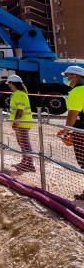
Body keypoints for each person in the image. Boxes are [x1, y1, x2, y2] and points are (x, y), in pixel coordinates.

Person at [60, 66, 84, 197]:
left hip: (81, 130)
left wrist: (66, 132)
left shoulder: (77, 92)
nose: (65, 78)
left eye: (67, 76)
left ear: (75, 76)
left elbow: (73, 114)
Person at [6, 75, 35, 173]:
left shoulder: (19, 94)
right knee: (22, 143)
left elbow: (20, 110)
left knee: (25, 144)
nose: (8, 85)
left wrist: (15, 122)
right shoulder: (18, 94)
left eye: (9, 83)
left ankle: (29, 164)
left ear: (12, 83)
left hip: (22, 123)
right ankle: (25, 162)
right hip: (22, 123)